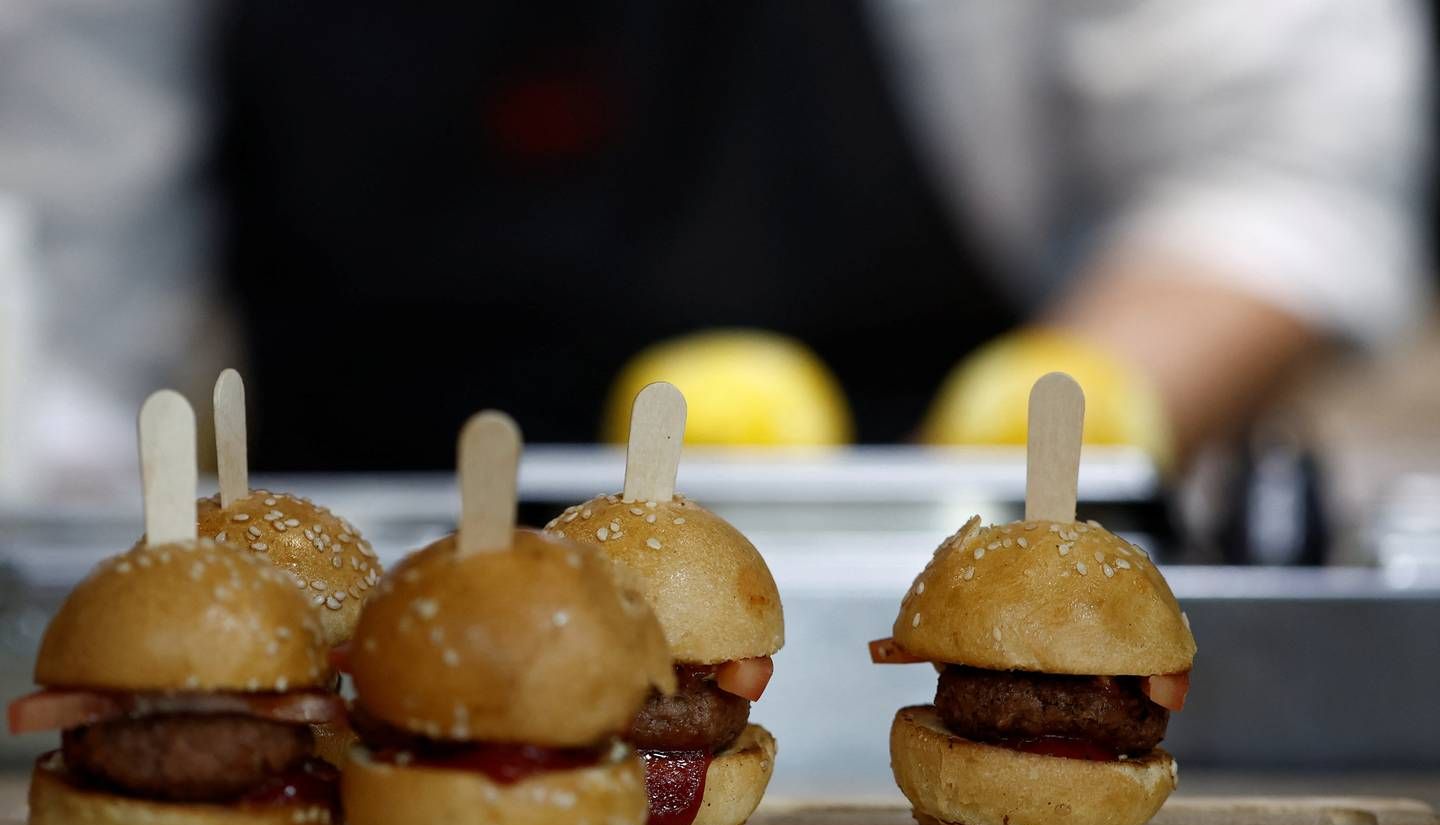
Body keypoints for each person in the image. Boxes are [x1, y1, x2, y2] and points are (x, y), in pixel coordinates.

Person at [0, 1, 1429, 489]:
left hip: (905, 541)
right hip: (359, 582)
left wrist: (1006, 479)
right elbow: (59, 270)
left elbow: (1274, 168)